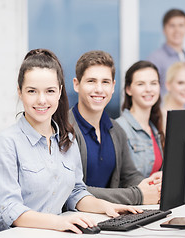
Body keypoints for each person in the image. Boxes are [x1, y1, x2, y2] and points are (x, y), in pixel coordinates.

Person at [0, 49, 142, 237]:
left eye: (50, 91)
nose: (41, 100)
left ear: (60, 92)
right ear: (20, 92)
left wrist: (108, 208)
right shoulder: (7, 142)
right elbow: (9, 209)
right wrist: (60, 221)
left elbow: (76, 192)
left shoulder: (68, 139)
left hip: (54, 234)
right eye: (32, 91)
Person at [69, 50, 161, 205]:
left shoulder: (116, 130)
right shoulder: (64, 130)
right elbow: (72, 191)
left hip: (110, 218)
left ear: (113, 86)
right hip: (76, 220)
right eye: (91, 81)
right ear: (76, 85)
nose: (99, 89)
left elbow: (129, 176)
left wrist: (151, 186)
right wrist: (137, 195)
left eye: (105, 82)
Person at [116, 61, 165, 178]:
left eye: (153, 83)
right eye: (141, 84)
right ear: (128, 89)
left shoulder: (154, 128)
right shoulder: (119, 128)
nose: (148, 89)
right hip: (136, 196)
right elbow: (122, 180)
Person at [147, 8, 185, 108]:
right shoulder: (155, 59)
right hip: (165, 118)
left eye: (181, 25)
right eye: (172, 26)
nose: (177, 30)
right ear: (164, 30)